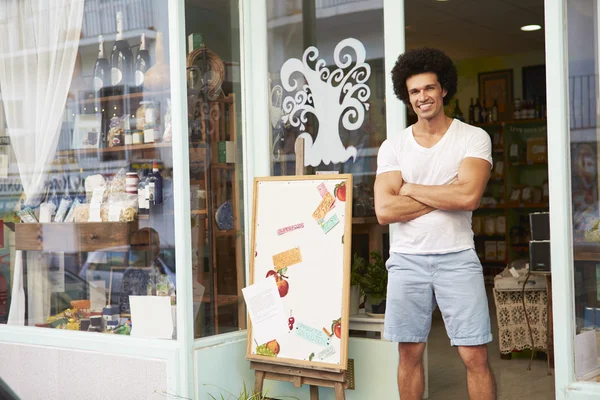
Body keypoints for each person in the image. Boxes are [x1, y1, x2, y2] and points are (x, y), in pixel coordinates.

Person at [374, 48, 496, 400]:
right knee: (409, 353)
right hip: (407, 261)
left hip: (457, 257)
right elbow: (384, 210)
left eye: (429, 88)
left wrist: (409, 189)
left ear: (443, 89)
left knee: (474, 354)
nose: (422, 97)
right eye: (414, 91)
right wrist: (446, 191)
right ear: (406, 96)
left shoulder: (472, 138)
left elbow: (469, 197)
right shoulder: (394, 147)